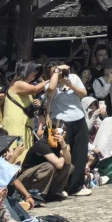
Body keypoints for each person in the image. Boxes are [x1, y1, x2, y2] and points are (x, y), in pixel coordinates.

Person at [46, 66, 90, 196]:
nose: (61, 74)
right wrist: (56, 75)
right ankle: (61, 187)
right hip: (60, 121)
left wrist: (70, 84)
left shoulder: (74, 78)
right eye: (57, 71)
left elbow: (84, 94)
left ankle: (76, 186)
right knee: (61, 153)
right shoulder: (49, 84)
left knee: (80, 153)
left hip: (79, 118)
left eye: (64, 71)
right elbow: (51, 90)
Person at [16, 111, 71, 204]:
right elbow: (59, 164)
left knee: (69, 166)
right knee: (48, 166)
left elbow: (68, 162)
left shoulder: (60, 144)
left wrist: (64, 147)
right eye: (63, 132)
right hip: (26, 177)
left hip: (40, 174)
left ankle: (54, 193)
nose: (64, 134)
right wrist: (63, 154)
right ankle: (36, 195)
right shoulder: (42, 144)